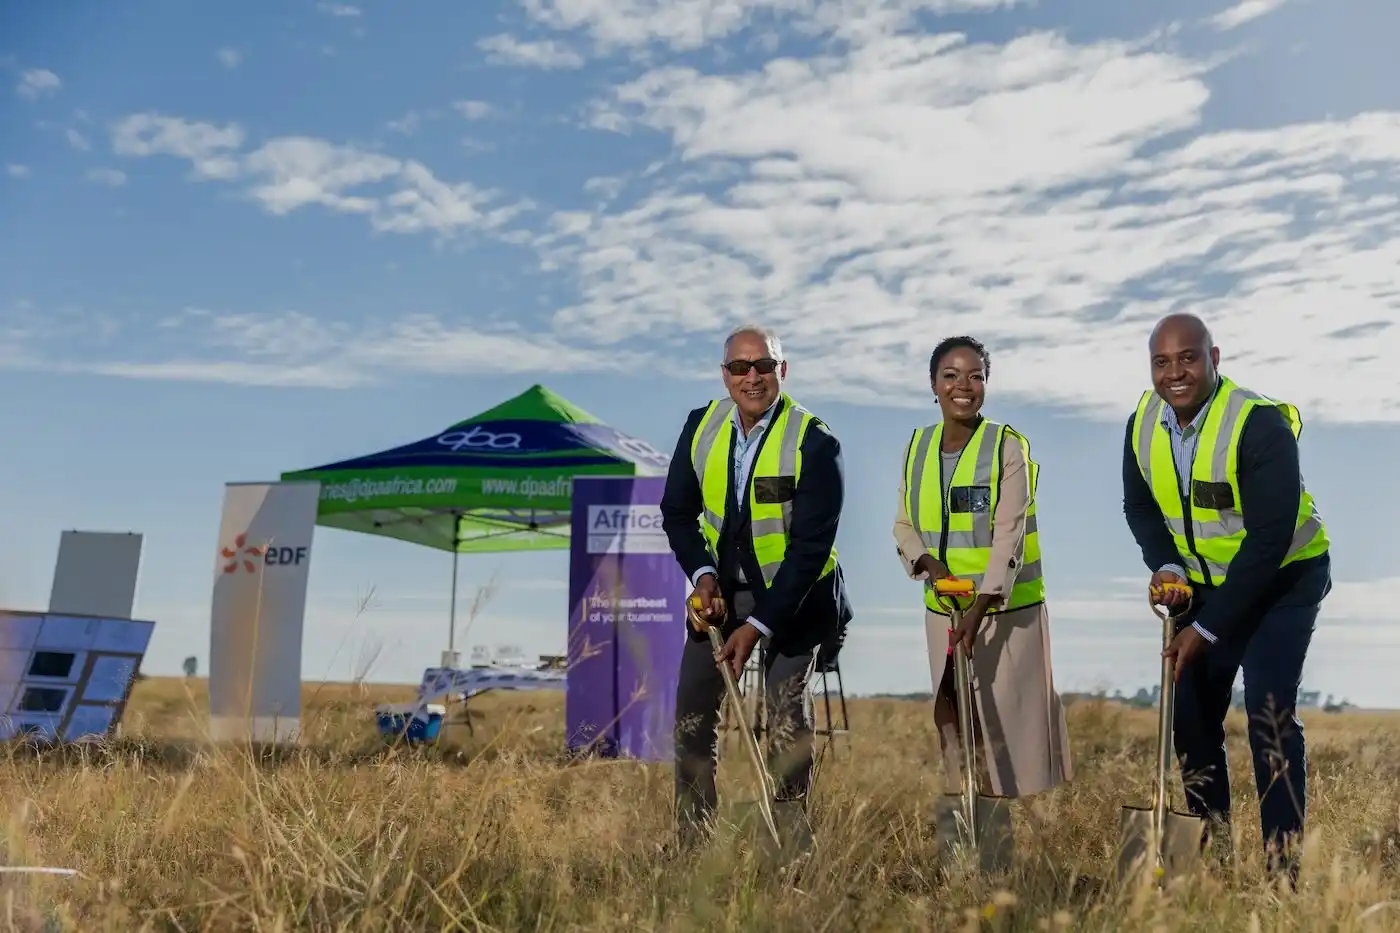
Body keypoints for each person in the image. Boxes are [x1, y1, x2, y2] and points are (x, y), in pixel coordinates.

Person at [1121, 312, 1331, 880]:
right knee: (1189, 721)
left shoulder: (1258, 425)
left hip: (1283, 581)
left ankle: (1282, 875)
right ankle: (1209, 868)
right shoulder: (1142, 422)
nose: (1175, 372)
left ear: (1214, 359)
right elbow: (1140, 508)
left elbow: (1267, 541)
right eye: (1161, 362)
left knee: (1269, 718)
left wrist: (1207, 629)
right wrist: (1166, 566)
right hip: (1205, 584)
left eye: (1188, 357)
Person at [659, 324, 852, 857]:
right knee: (693, 718)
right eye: (739, 367)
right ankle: (693, 847)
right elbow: (677, 513)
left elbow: (809, 550)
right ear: (725, 375)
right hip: (719, 600)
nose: (752, 377)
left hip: (796, 599)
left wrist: (758, 625)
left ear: (781, 371)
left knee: (787, 718)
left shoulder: (816, 442)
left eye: (763, 365)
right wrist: (703, 577)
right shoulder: (702, 427)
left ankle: (793, 852)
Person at [892, 335, 1072, 809]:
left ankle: (1016, 845)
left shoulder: (1007, 447)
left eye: (975, 376)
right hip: (944, 615)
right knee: (956, 729)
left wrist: (980, 607)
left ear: (987, 383)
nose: (963, 386)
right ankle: (970, 836)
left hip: (1006, 615)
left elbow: (1009, 533)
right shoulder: (918, 446)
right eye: (951, 375)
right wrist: (927, 564)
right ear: (934, 385)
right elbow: (904, 524)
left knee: (1013, 741)